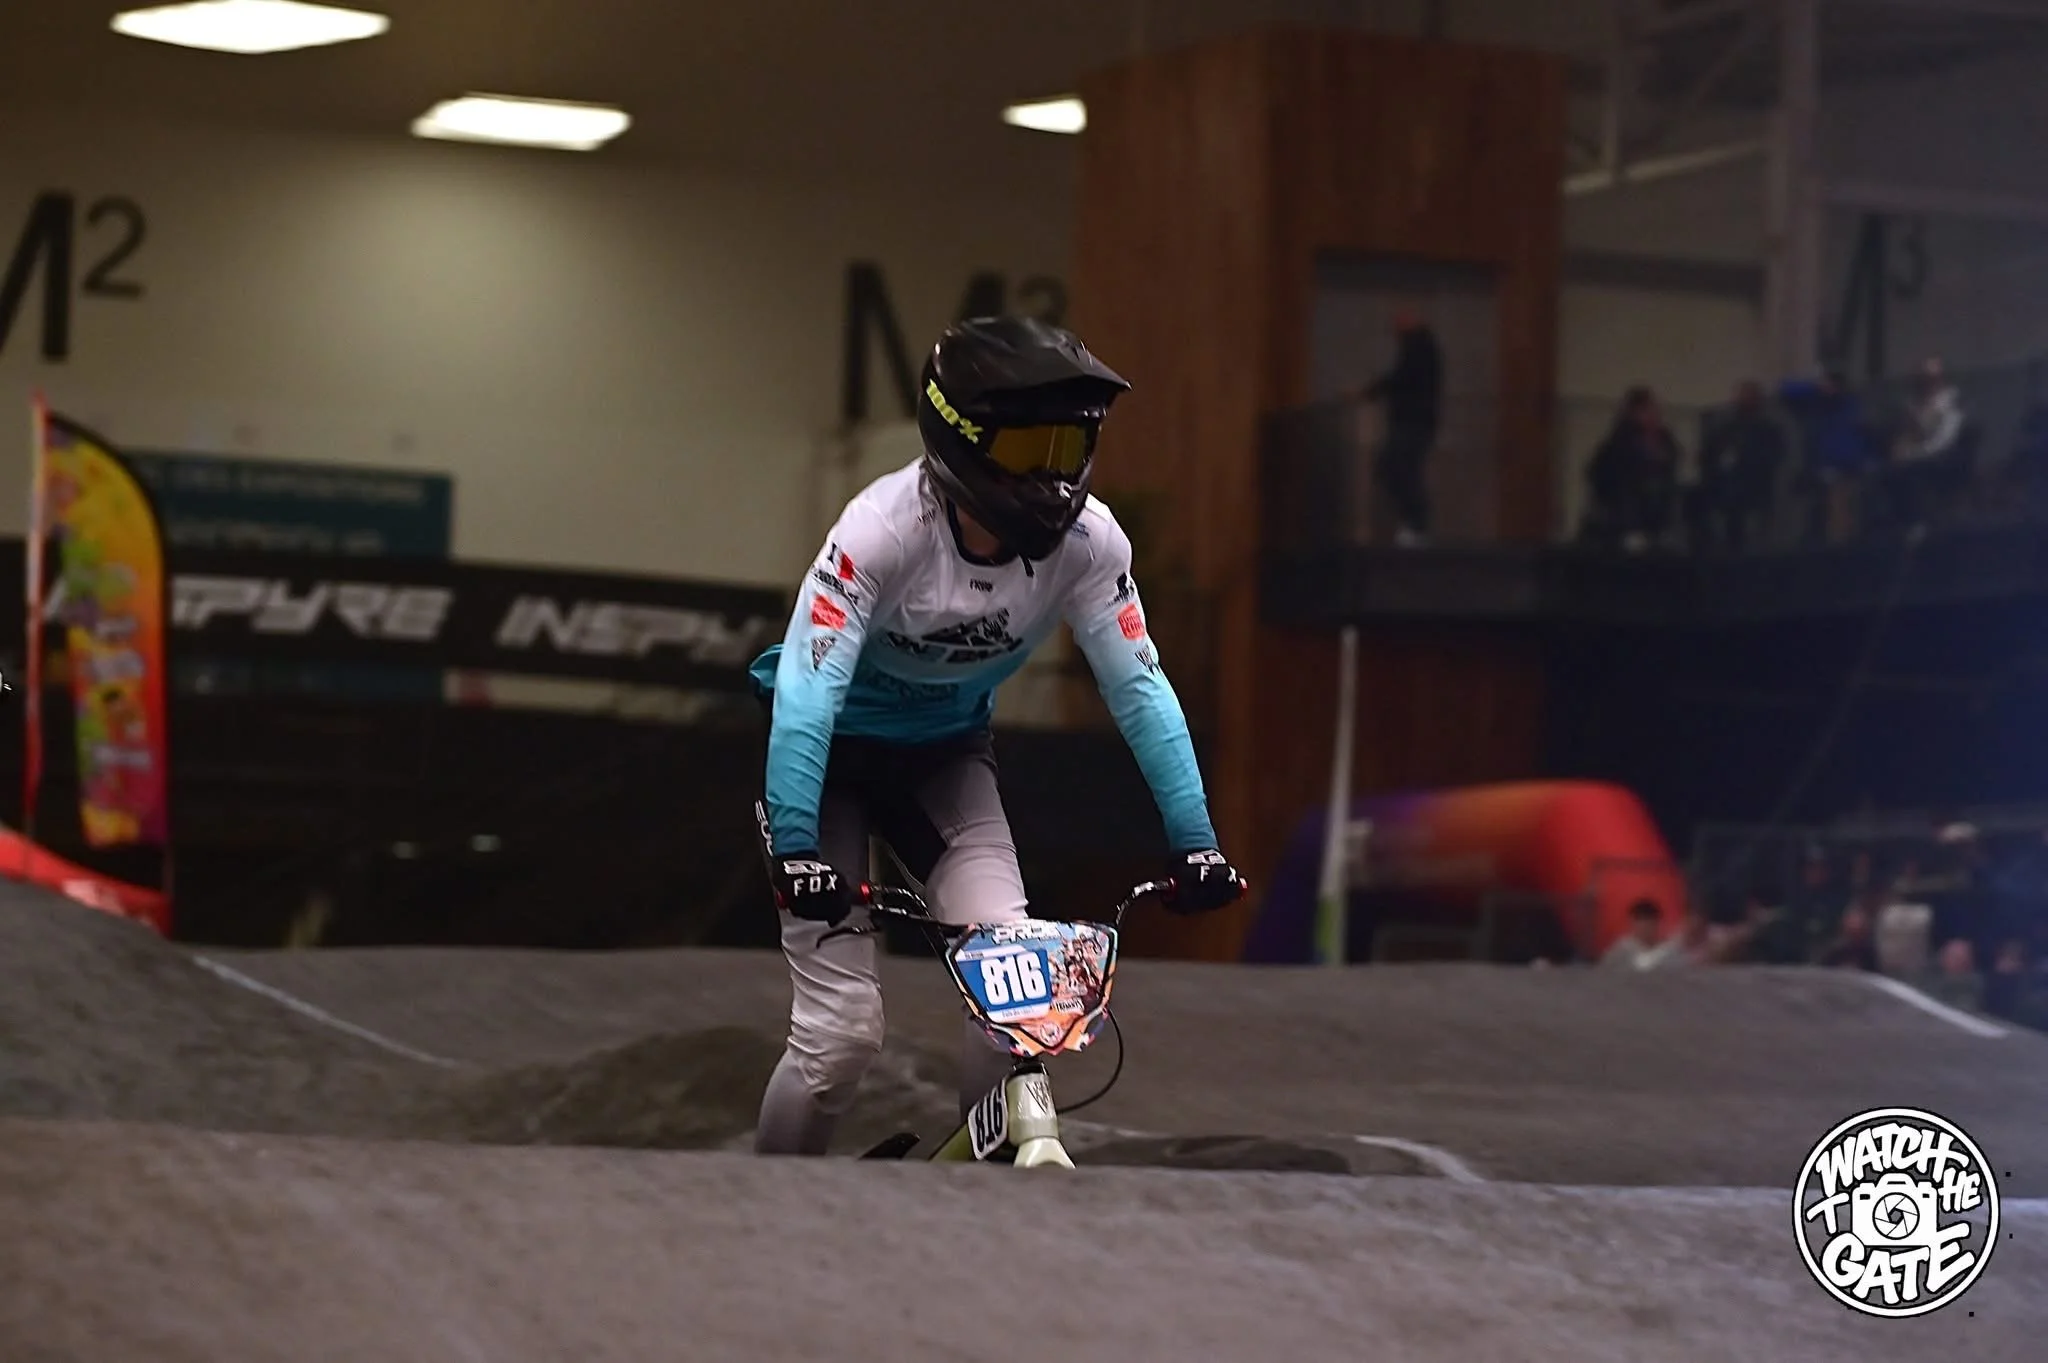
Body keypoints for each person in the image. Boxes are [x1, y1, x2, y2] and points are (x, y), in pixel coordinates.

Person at [748, 315, 1247, 1156]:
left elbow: (1140, 688)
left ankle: (988, 1204)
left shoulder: (1091, 545)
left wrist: (1196, 840)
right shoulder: (882, 529)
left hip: (944, 758)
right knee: (841, 1036)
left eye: (1067, 447)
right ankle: (760, 1206)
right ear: (961, 441)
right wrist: (798, 844)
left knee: (1016, 996)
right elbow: (808, 688)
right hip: (827, 764)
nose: (1052, 477)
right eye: (1027, 451)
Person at [1357, 306, 1443, 547]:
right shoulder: (1418, 347)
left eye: (1400, 322)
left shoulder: (1420, 348)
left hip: (1413, 421)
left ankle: (1416, 524)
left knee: (1399, 469)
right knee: (1400, 469)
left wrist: (1370, 391)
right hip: (1412, 421)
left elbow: (1401, 377)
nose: (1395, 329)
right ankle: (1414, 523)